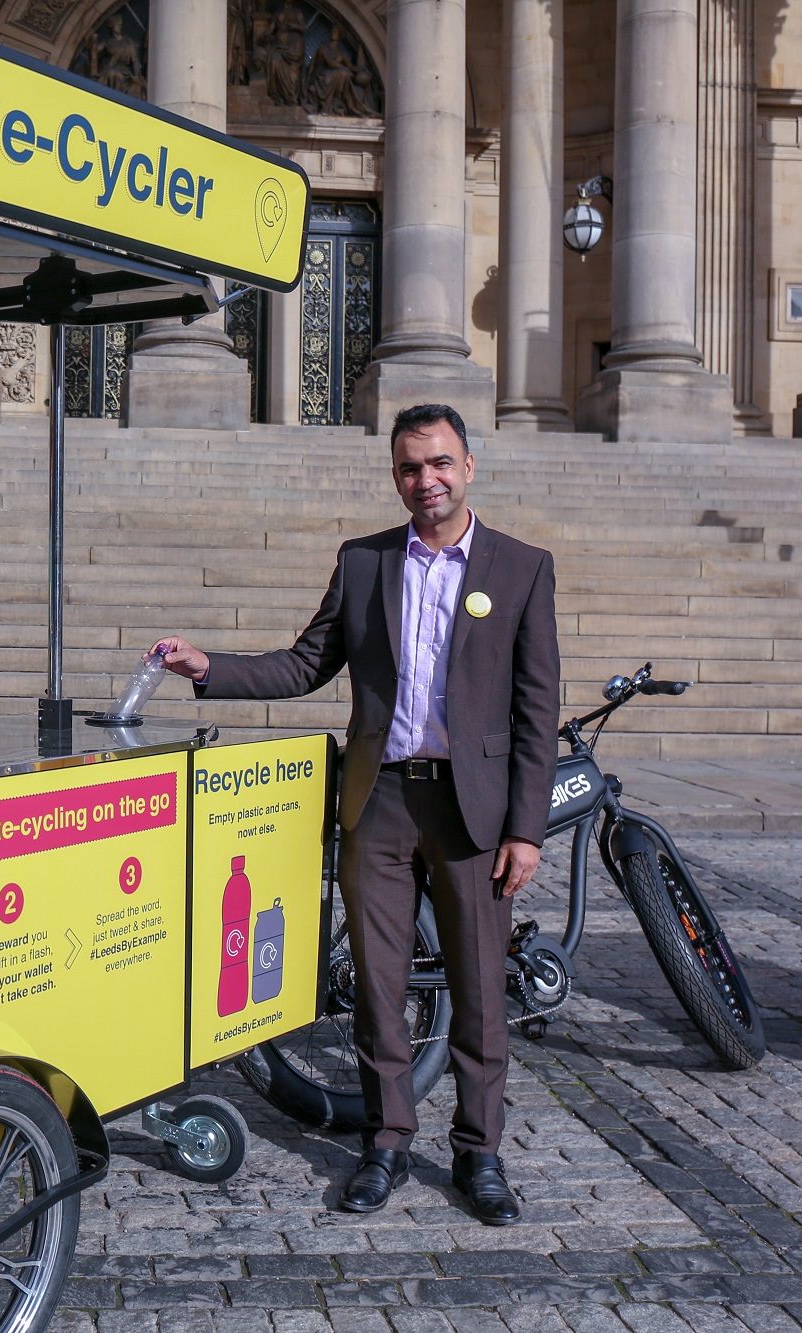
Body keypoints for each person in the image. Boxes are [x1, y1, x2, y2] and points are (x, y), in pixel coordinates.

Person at [154, 403, 559, 1223]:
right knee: (377, 988)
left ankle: (480, 1152)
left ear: (468, 466)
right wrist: (210, 666)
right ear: (396, 476)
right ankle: (386, 1142)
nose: (426, 481)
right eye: (410, 468)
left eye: (440, 463)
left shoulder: (521, 568)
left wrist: (524, 827)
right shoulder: (366, 562)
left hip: (470, 810)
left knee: (480, 988)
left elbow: (536, 707)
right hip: (379, 803)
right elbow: (307, 663)